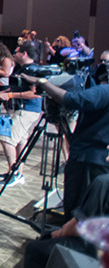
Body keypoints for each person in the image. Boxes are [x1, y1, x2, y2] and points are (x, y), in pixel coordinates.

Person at [20, 69, 109, 218]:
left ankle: (65, 236)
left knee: (78, 206)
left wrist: (43, 82)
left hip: (88, 159)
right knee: (91, 207)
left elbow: (73, 100)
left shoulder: (104, 91)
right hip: (97, 158)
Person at [0, 43, 43, 187]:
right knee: (20, 141)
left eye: (17, 51)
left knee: (6, 138)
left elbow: (35, 93)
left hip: (27, 110)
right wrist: (3, 93)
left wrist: (10, 95)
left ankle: (13, 173)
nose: (14, 53)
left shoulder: (33, 70)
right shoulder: (21, 68)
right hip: (20, 108)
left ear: (25, 53)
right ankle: (17, 172)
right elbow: (17, 86)